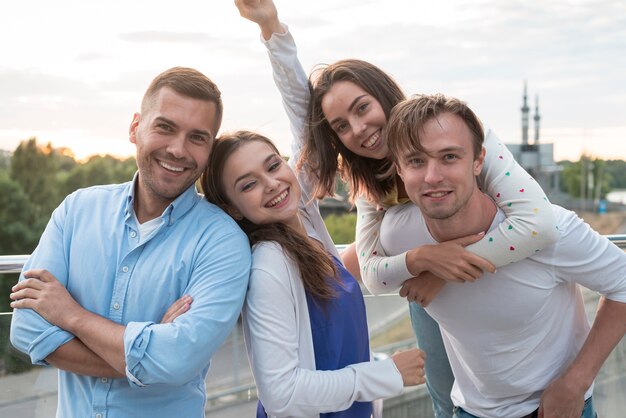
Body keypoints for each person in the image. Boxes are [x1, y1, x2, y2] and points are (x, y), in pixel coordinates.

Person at [234, 1, 558, 417]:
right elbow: (371, 273)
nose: (358, 129)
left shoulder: (457, 133)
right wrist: (423, 259)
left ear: (383, 96)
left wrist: (441, 271)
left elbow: (538, 224)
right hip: (435, 305)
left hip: (509, 300)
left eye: (362, 108)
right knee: (448, 401)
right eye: (340, 126)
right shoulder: (372, 187)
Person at [9, 67, 251, 418]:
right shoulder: (77, 211)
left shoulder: (223, 241)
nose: (178, 149)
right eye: (165, 127)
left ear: (210, 149)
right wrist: (149, 359)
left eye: (197, 137)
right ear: (135, 127)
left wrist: (70, 316)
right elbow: (28, 330)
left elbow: (178, 360)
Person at [382, 93, 626, 418]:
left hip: (555, 409)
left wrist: (578, 381)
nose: (432, 176)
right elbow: (350, 268)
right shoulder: (398, 234)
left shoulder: (549, 231)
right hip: (469, 410)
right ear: (399, 170)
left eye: (449, 157)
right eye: (416, 161)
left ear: (479, 161)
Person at [201, 130, 426, 418]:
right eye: (248, 185)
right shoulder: (269, 265)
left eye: (273, 165)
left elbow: (307, 124)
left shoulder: (307, 226)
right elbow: (281, 395)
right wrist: (385, 374)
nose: (271, 183)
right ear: (232, 209)